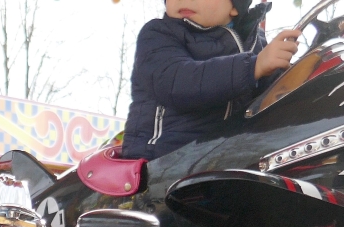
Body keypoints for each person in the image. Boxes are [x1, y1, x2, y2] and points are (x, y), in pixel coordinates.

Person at [122, 0, 301, 161]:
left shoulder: (255, 44)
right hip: (160, 160)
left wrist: (295, 75)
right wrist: (253, 66)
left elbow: (272, 99)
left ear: (234, 7)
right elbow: (178, 82)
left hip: (220, 159)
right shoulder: (158, 35)